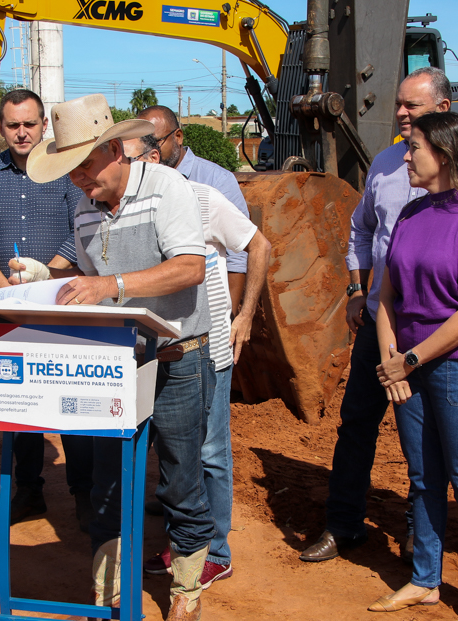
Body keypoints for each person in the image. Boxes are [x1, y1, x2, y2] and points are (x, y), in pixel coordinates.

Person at [300, 66, 458, 563]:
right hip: (381, 325)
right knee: (357, 422)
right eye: (399, 104)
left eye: (413, 106)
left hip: (443, 338)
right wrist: (359, 291)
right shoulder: (384, 164)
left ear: (443, 112)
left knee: (433, 446)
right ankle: (343, 524)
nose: (400, 113)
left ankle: (420, 533)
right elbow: (362, 232)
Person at [27, 93, 214, 621]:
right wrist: (48, 279)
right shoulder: (85, 211)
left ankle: (185, 590)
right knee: (107, 480)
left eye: (83, 166)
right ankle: (108, 592)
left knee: (181, 478)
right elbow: (88, 280)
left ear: (114, 150)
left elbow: (189, 268)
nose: (78, 180)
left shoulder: (167, 187)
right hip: (115, 365)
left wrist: (111, 284)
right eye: (69, 171)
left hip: (178, 358)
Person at [369, 111, 458, 620]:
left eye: (416, 148)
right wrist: (390, 359)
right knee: (424, 476)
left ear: (445, 155)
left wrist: (406, 360)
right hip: (407, 364)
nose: (405, 156)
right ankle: (426, 580)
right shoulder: (410, 214)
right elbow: (387, 295)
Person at [124, 134, 272, 588]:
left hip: (208, 347)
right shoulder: (130, 209)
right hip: (153, 349)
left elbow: (258, 246)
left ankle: (216, 551)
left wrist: (245, 314)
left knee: (209, 450)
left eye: (127, 158)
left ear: (153, 157)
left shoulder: (203, 197)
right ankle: (186, 542)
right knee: (175, 452)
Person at [0, 88, 93, 529]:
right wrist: (5, 290)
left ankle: (82, 493)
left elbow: (81, 228)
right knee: (20, 401)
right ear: (0, 127)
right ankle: (29, 489)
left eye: (30, 124)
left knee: (72, 401)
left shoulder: (65, 171)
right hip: (6, 308)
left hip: (63, 303)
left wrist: (46, 278)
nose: (22, 132)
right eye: (13, 124)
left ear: (44, 126)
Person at [136, 105, 251, 311]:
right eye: (143, 145)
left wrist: (232, 314)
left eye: (155, 142)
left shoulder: (216, 182)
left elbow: (239, 254)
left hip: (208, 310)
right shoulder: (140, 182)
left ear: (178, 136)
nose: (150, 152)